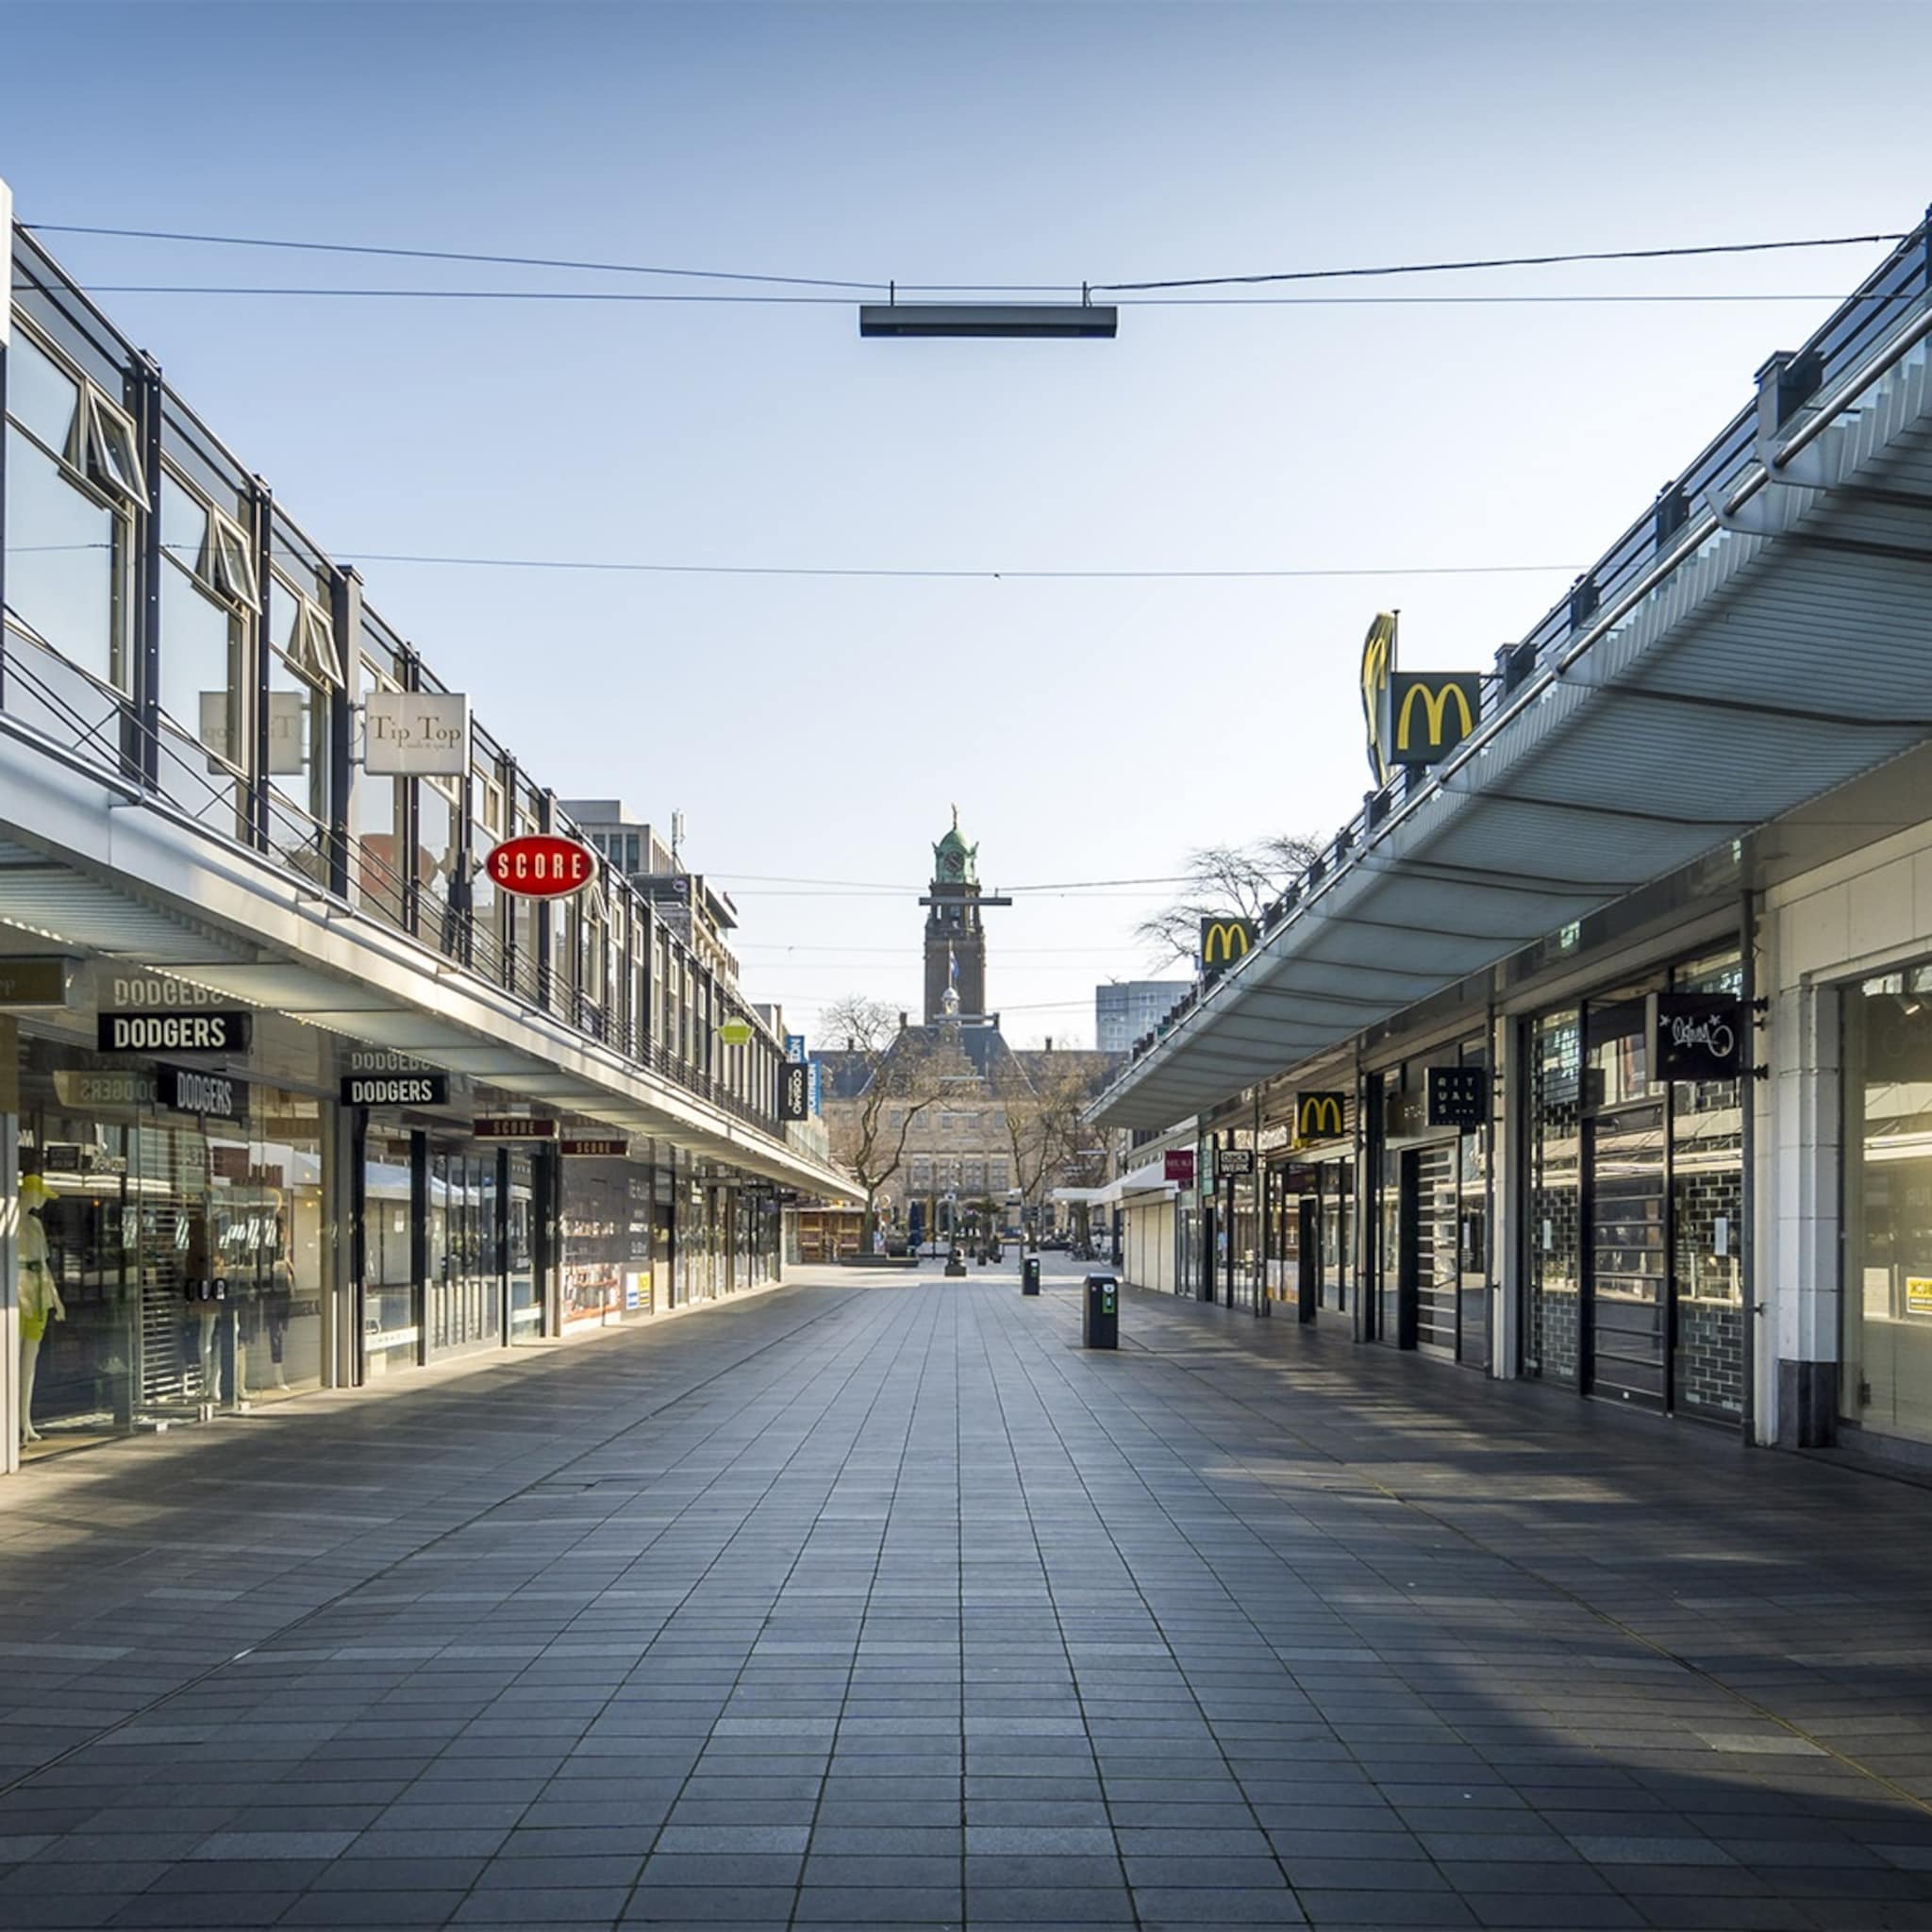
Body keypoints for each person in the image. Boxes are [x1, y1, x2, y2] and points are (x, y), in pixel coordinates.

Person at [17, 1174, 66, 1444]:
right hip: (16, 1296)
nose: (43, 1201)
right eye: (41, 1195)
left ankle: (25, 1420)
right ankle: (10, 1422)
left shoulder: (35, 1225)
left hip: (38, 1295)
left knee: (29, 1362)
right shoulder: (7, 1223)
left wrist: (55, 1299)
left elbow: (43, 1266)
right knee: (10, 1361)